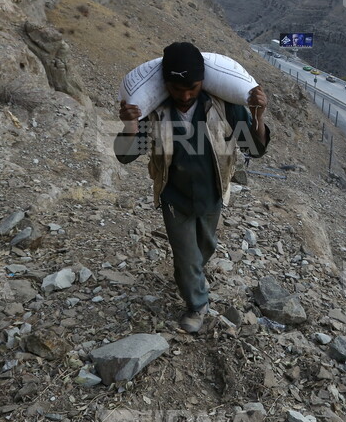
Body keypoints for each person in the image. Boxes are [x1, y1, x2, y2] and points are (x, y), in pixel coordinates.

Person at [114, 43, 270, 333]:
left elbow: (254, 148)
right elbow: (126, 155)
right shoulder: (156, 111)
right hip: (174, 196)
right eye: (176, 89)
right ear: (165, 84)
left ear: (202, 83)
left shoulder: (225, 107)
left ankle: (192, 274)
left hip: (213, 193)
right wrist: (131, 126)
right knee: (186, 255)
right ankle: (197, 305)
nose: (184, 96)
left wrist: (258, 117)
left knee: (204, 247)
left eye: (192, 88)